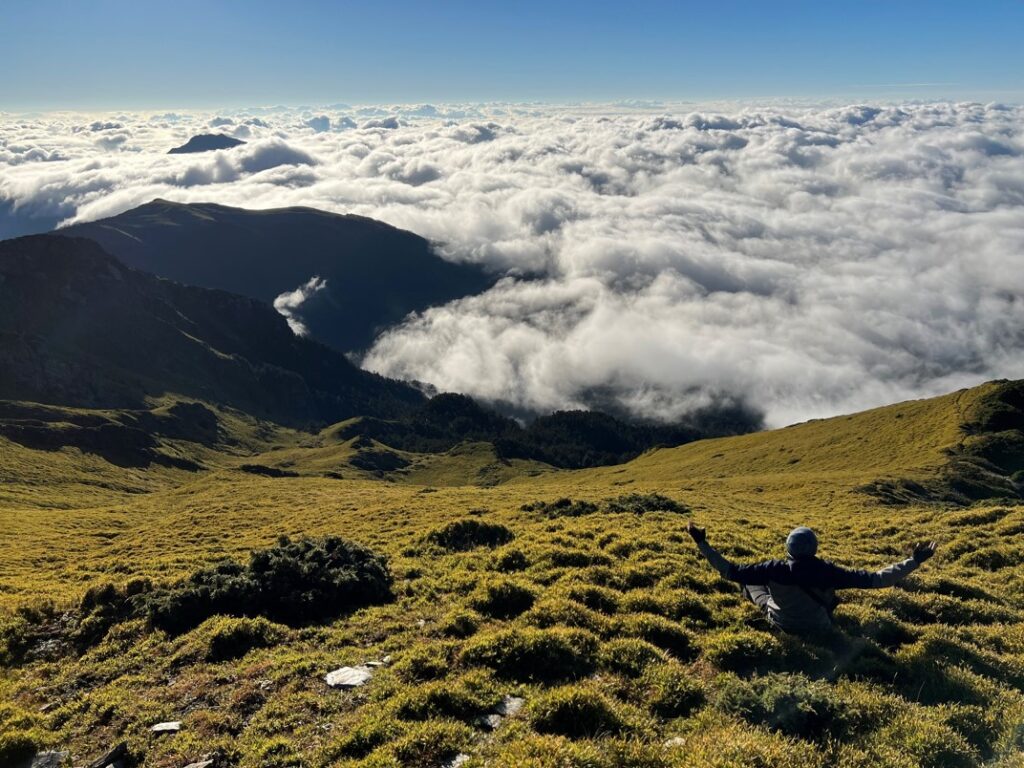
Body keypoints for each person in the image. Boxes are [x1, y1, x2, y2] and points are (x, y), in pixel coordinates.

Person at [686, 522, 938, 634]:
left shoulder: (774, 568)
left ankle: (760, 607)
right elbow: (879, 579)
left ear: (789, 548)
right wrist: (914, 560)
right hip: (820, 627)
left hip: (782, 622)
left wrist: (701, 541)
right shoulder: (829, 572)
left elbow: (728, 570)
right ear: (814, 548)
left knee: (749, 581)